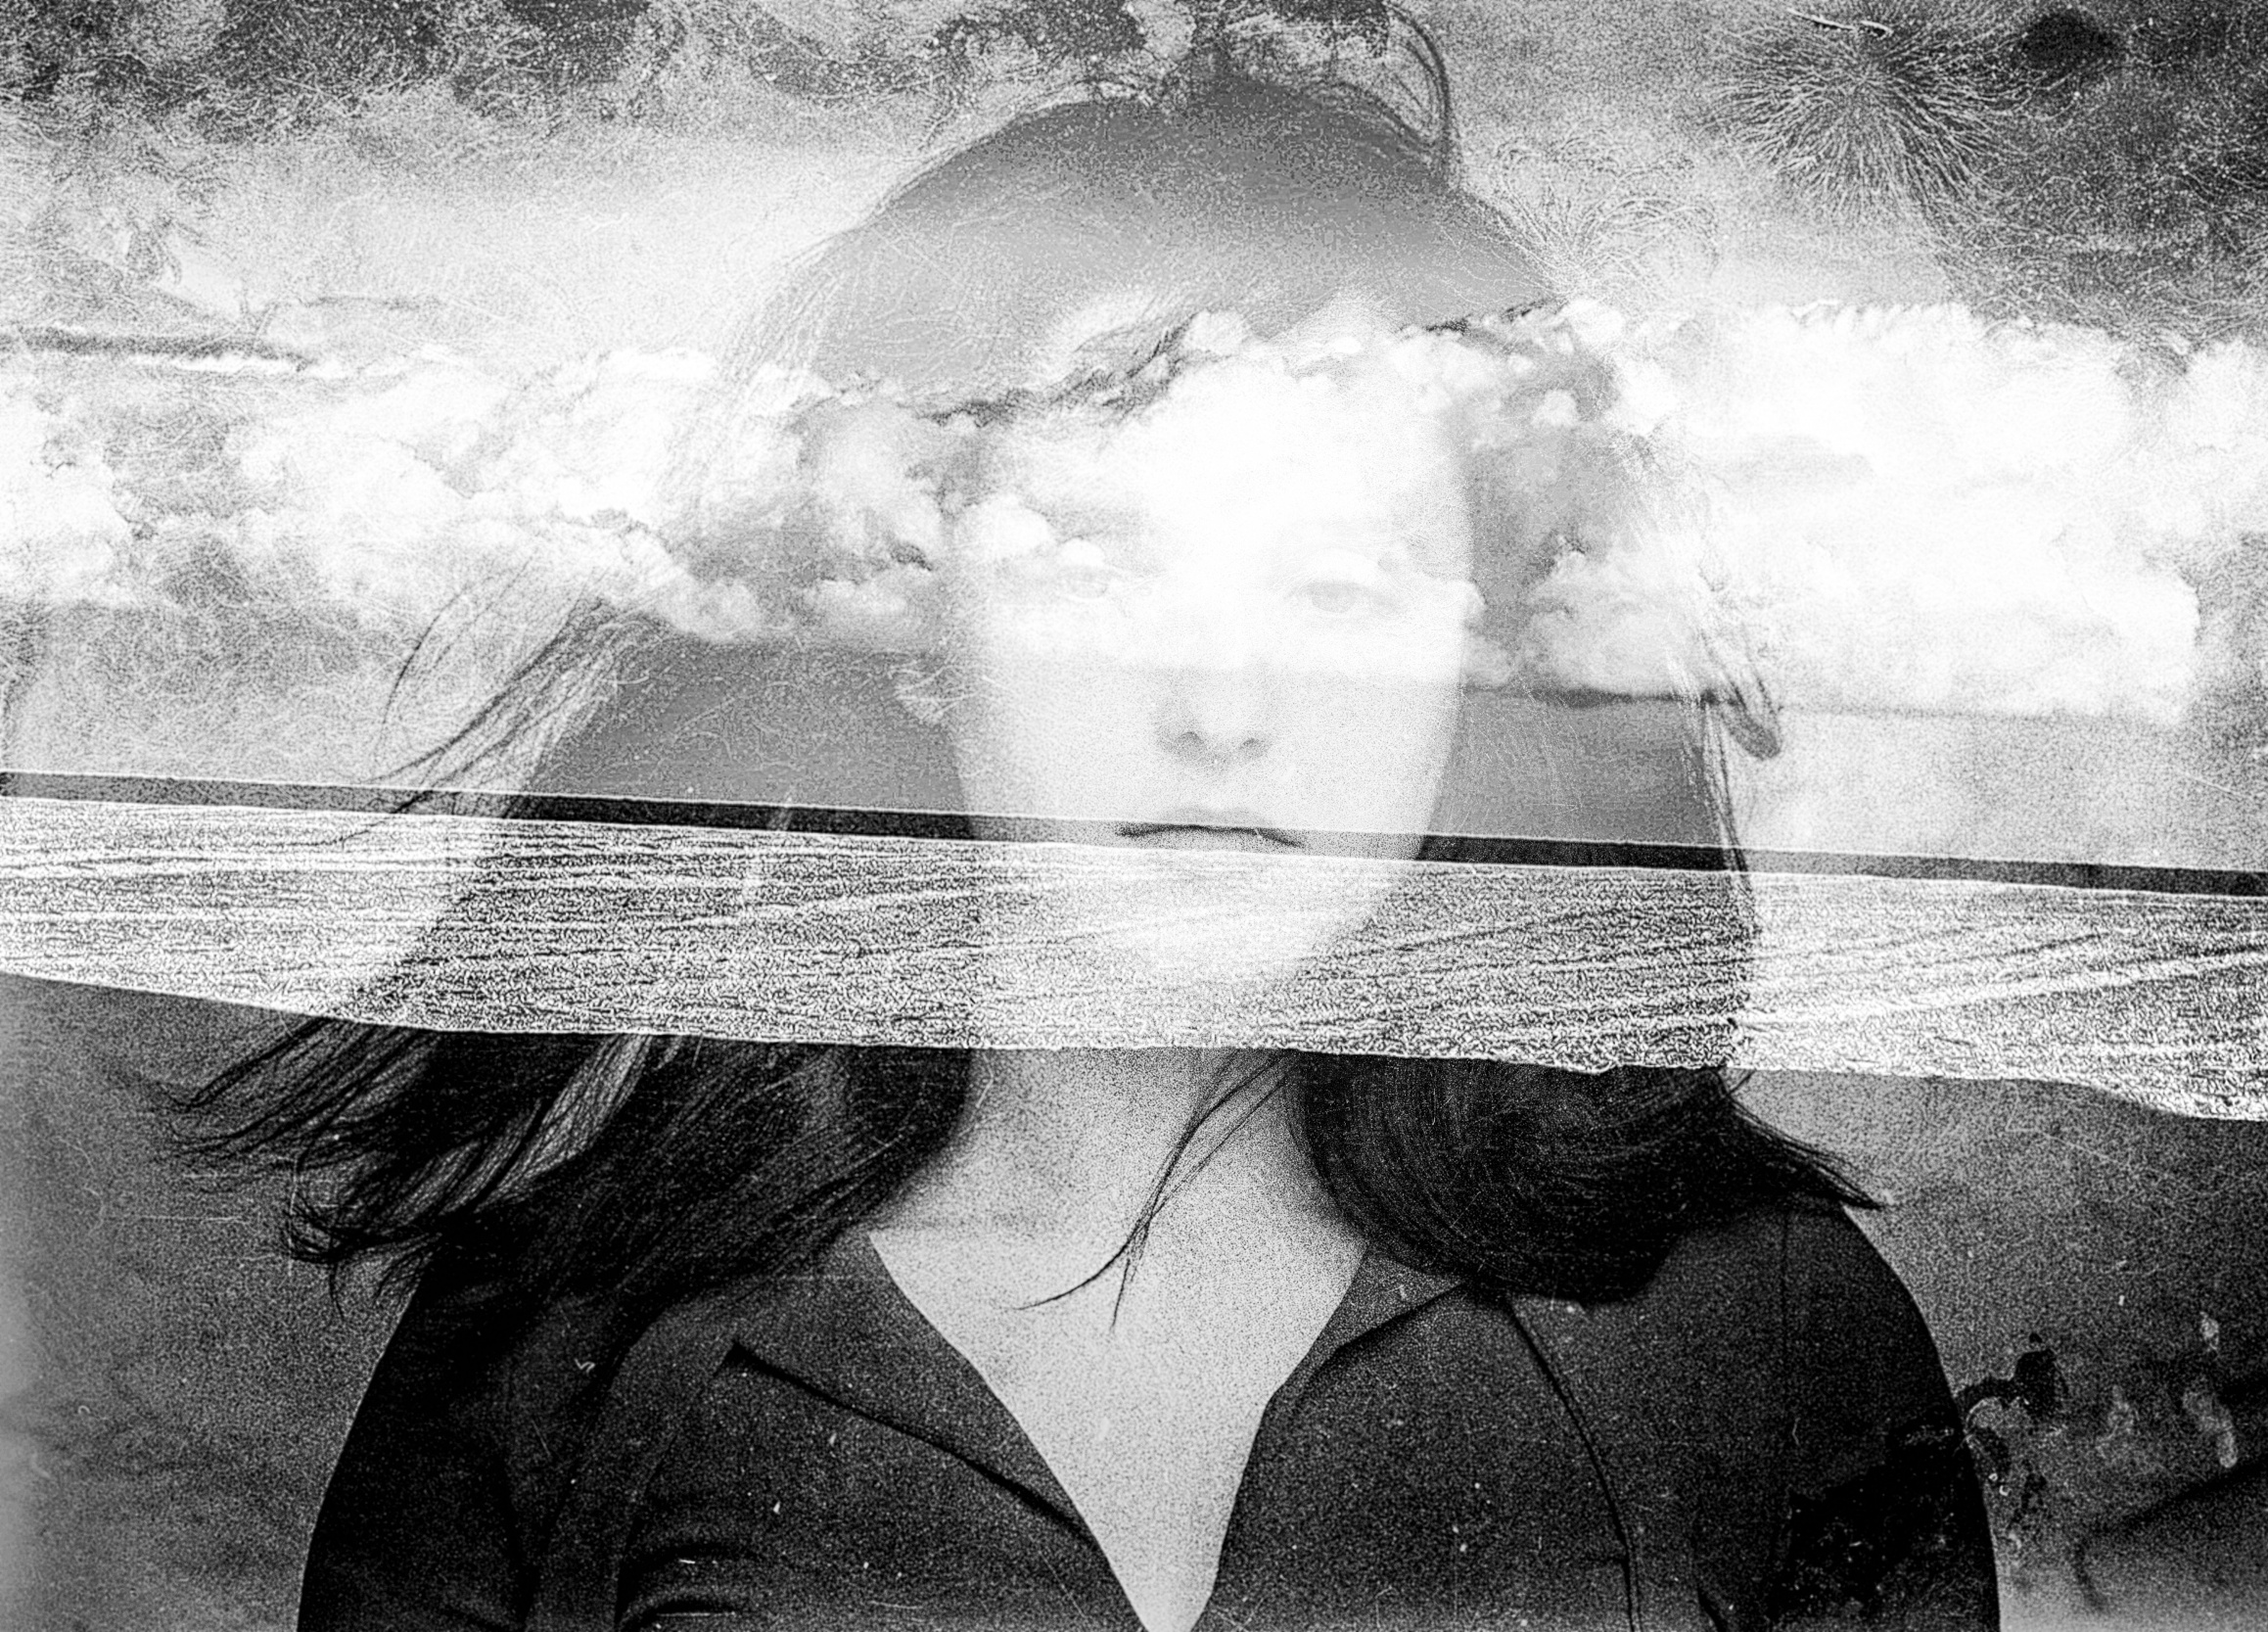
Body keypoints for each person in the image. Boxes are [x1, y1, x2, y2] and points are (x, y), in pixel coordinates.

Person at [180, 22, 2000, 1632]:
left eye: (1341, 587)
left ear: (1482, 663)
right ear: (910, 626)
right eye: (1099, 566)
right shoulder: (552, 1361)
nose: (1222, 707)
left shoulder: (1766, 1330)